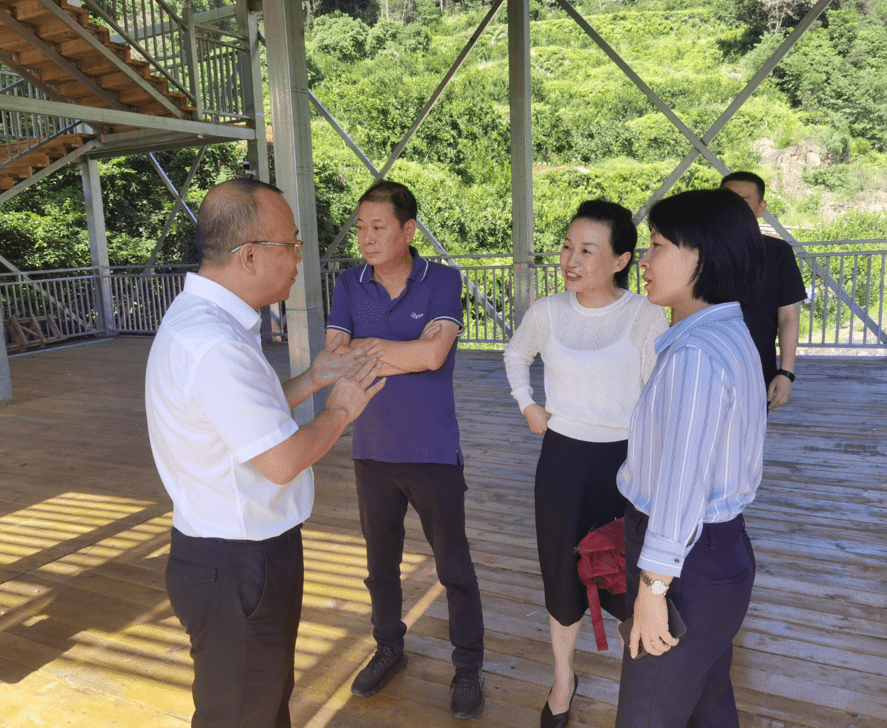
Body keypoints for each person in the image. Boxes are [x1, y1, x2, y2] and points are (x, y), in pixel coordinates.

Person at [144, 179, 386, 728]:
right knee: (242, 714)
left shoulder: (207, 322)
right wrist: (341, 409)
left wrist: (312, 380)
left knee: (260, 700)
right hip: (237, 564)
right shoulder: (216, 343)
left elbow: (236, 423)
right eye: (292, 244)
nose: (300, 257)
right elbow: (278, 459)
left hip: (234, 555)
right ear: (250, 254)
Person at [502, 199, 668, 728]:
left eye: (587, 250)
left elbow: (659, 397)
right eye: (567, 247)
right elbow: (514, 354)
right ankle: (562, 677)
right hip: (563, 460)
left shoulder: (645, 316)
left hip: (626, 464)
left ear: (622, 260)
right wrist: (527, 403)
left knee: (626, 573)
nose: (570, 259)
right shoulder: (548, 312)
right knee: (561, 572)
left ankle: (636, 686)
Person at [324, 180, 486, 719]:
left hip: (433, 450)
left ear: (408, 230)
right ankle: (389, 648)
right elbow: (335, 358)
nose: (366, 238)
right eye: (361, 228)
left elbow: (437, 355)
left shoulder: (441, 278)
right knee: (380, 566)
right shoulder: (349, 282)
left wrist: (371, 353)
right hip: (371, 449)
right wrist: (408, 353)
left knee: (453, 567)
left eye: (379, 228)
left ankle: (468, 666)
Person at [615, 188, 767, 727]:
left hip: (685, 565)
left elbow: (682, 485)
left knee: (646, 716)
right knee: (707, 703)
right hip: (711, 555)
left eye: (657, 246)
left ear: (699, 256)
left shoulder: (697, 355)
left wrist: (653, 589)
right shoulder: (727, 332)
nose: (646, 262)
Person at [720, 171, 807, 410]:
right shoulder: (697, 251)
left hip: (757, 367)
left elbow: (788, 316)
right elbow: (680, 310)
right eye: (728, 199)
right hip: (704, 363)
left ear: (761, 207)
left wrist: (786, 373)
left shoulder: (778, 252)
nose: (735, 207)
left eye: (744, 200)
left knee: (750, 443)